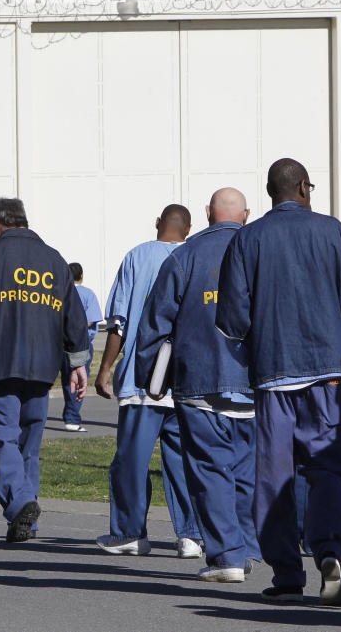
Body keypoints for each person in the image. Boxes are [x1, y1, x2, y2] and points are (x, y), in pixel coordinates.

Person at [216, 158, 341, 605]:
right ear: (305, 189)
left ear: (269, 192)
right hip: (327, 374)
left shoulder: (247, 239)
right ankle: (328, 551)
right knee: (325, 467)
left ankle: (287, 574)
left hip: (273, 377)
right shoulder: (333, 232)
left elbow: (232, 320)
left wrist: (255, 348)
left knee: (273, 474)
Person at [135, 189, 260, 583]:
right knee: (245, 472)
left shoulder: (184, 256)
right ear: (246, 215)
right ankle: (246, 547)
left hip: (199, 380)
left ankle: (227, 555)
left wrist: (148, 377)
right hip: (254, 383)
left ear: (207, 214)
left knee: (209, 470)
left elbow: (156, 322)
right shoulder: (260, 252)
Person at [0, 198, 90, 542]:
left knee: (3, 438)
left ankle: (22, 501)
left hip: (0, 363)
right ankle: (26, 521)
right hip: (42, 367)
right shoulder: (55, 259)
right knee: (29, 443)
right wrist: (77, 363)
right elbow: (74, 316)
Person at [93, 204, 202, 558]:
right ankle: (190, 535)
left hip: (144, 377)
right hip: (186, 378)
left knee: (131, 460)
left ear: (158, 223)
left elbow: (119, 322)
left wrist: (106, 367)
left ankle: (129, 532)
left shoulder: (137, 257)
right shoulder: (195, 256)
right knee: (184, 459)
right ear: (189, 228)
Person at [60, 263, 102, 432]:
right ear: (81, 275)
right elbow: (91, 320)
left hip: (59, 342)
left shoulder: (61, 292)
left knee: (64, 380)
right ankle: (72, 418)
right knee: (78, 380)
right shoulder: (88, 294)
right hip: (81, 344)